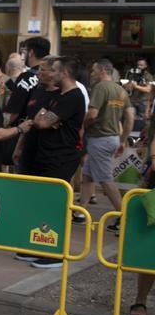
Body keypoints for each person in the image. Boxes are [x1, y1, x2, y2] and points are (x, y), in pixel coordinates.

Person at [15, 56, 86, 268]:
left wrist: (45, 119)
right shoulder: (56, 95)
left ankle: (55, 253)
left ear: (63, 73)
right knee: (42, 204)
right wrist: (43, 119)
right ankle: (38, 246)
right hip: (46, 157)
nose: (47, 74)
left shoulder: (73, 96)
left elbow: (42, 122)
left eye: (53, 70)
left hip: (61, 158)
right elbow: (40, 119)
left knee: (56, 206)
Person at [75, 59, 132, 227]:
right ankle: (80, 212)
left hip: (99, 138)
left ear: (101, 70)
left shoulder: (100, 88)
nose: (91, 74)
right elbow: (130, 118)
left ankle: (124, 217)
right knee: (88, 176)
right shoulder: (120, 90)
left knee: (106, 179)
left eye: (93, 71)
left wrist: (83, 125)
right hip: (112, 137)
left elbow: (92, 114)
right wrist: (122, 140)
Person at [4, 37, 48, 124]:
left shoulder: (26, 77)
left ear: (31, 53)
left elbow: (13, 112)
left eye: (25, 52)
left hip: (24, 127)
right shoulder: (51, 77)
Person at [123, 57, 153, 130]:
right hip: (133, 100)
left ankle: (142, 138)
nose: (139, 67)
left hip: (143, 102)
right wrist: (128, 85)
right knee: (130, 119)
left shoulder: (148, 76)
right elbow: (127, 88)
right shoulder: (132, 75)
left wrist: (136, 86)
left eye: (141, 65)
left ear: (145, 66)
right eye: (138, 65)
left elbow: (148, 89)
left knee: (144, 121)